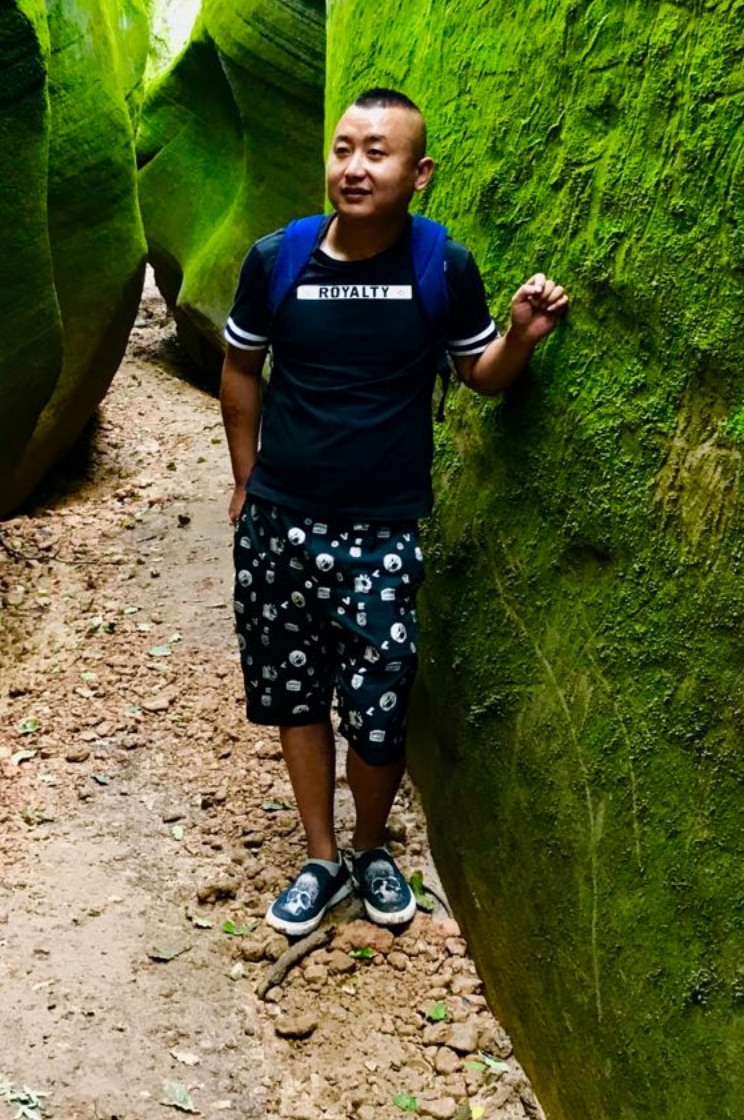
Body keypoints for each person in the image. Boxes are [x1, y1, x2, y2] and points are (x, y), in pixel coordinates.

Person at [219, 87, 568, 936]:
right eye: (343, 149)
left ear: (420, 174)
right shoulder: (278, 259)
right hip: (279, 521)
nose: (354, 167)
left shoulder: (441, 266)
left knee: (378, 704)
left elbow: (478, 374)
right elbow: (239, 369)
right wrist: (244, 478)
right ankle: (320, 854)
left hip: (381, 531)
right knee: (295, 692)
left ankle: (371, 850)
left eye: (377, 152)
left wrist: (519, 337)